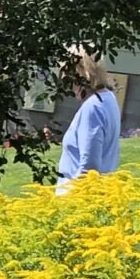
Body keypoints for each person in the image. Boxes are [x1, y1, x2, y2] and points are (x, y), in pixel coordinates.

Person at [56, 51, 121, 192]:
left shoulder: (92, 108)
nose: (67, 84)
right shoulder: (108, 98)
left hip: (78, 199)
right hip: (101, 192)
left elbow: (89, 169)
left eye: (68, 77)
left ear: (81, 74)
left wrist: (69, 202)